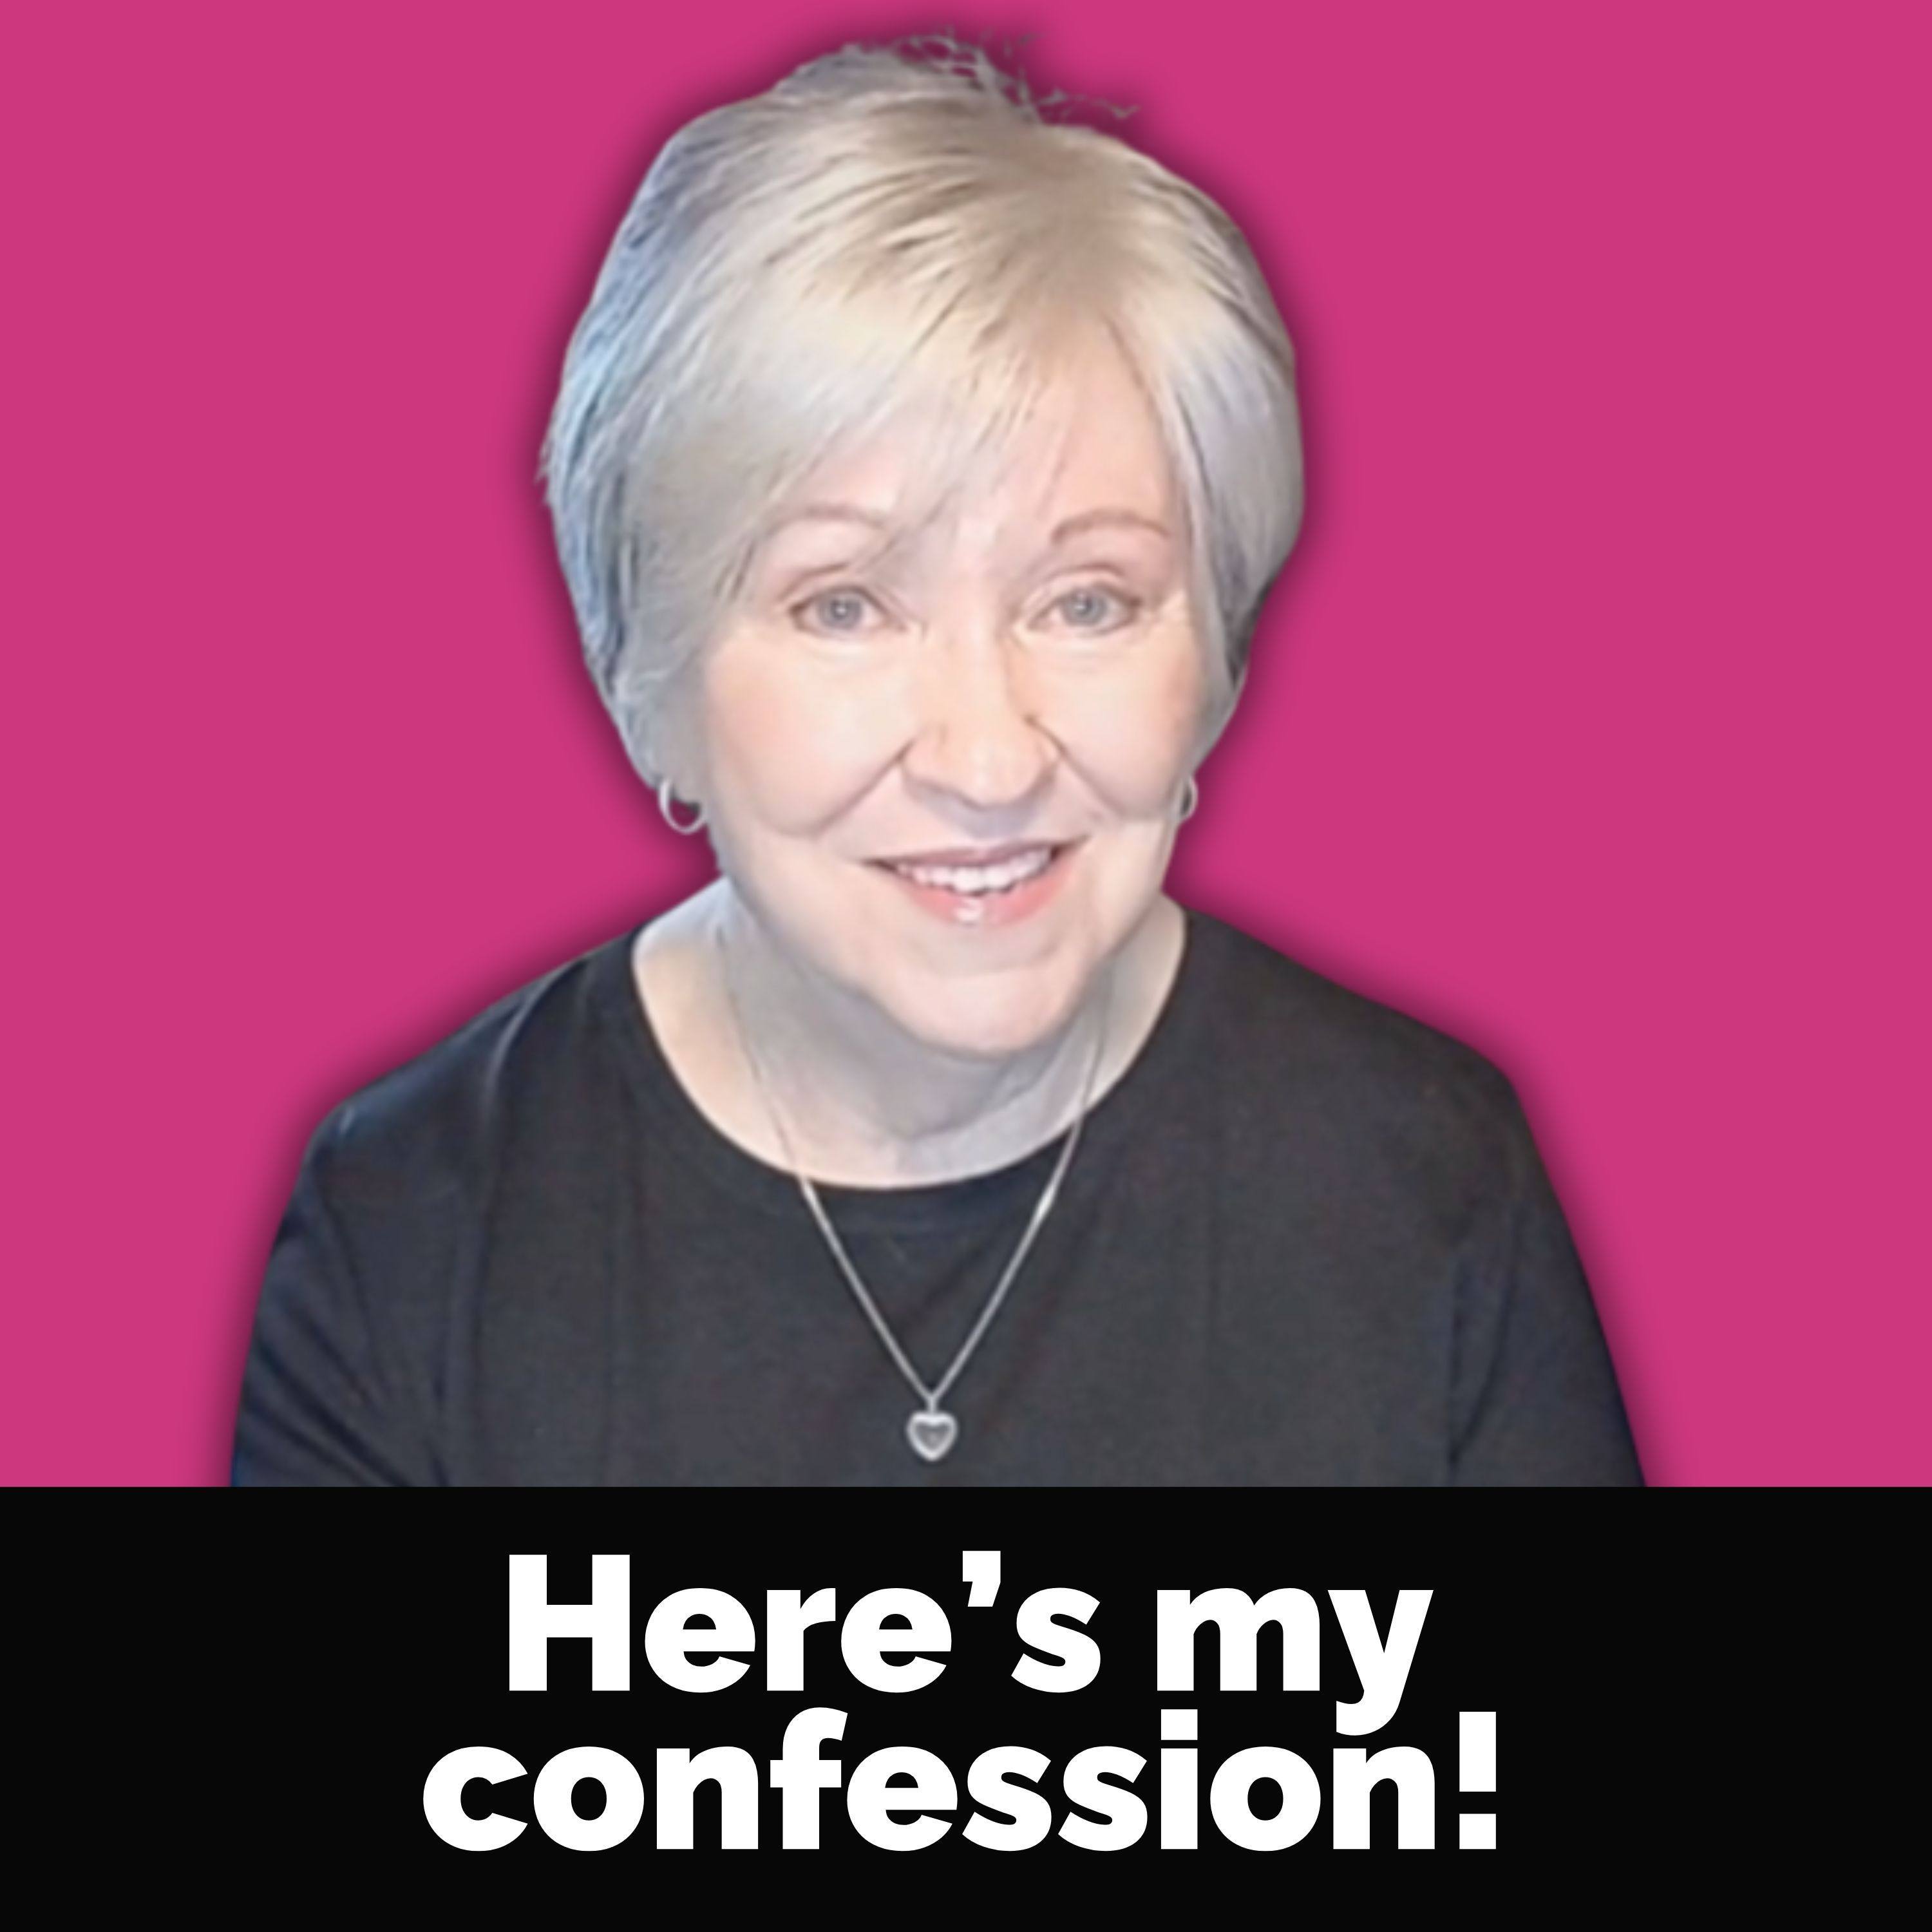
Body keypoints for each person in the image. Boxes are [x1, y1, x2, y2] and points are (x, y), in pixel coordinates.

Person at [232, 35, 1642, 1486]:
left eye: (1086, 602)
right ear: (653, 680)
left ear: (1212, 657)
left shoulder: (1427, 1180)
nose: (989, 757)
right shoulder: (410, 1230)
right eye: (844, 606)